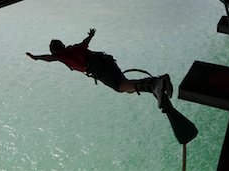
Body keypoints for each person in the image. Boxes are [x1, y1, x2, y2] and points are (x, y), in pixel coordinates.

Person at [26, 28, 173, 110]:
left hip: (98, 67)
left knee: (120, 86)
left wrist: (36, 57)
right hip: (105, 60)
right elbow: (85, 43)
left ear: (55, 50)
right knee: (124, 84)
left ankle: (155, 83)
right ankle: (155, 85)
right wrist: (90, 35)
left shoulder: (62, 55)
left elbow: (50, 58)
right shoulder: (73, 49)